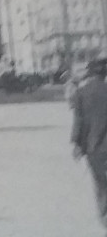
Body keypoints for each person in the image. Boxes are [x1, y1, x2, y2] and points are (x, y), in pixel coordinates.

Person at [72, 58, 107, 230]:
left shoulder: (81, 93)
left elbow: (80, 122)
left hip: (95, 148)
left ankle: (104, 216)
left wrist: (78, 146)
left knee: (101, 183)